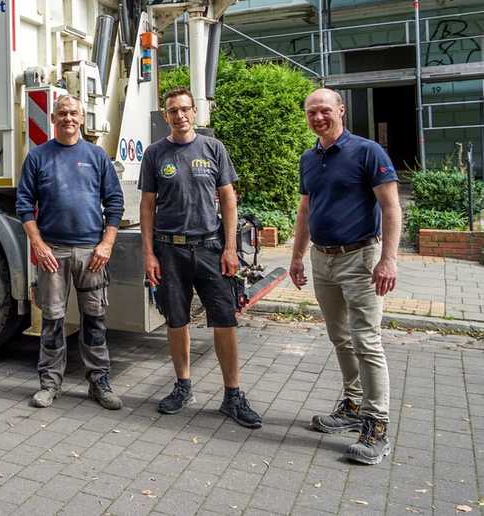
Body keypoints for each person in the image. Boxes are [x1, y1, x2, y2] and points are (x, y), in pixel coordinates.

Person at [289, 87, 399, 465]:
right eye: (311, 112)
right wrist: (297, 257)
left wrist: (388, 260)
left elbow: (391, 207)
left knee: (366, 340)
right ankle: (353, 406)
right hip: (323, 259)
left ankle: (377, 424)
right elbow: (305, 210)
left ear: (341, 110)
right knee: (340, 337)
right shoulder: (309, 157)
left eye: (324, 110)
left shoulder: (367, 152)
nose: (318, 117)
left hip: (361, 258)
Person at [139, 87, 262, 428]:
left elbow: (228, 199)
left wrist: (230, 248)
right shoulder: (155, 154)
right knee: (176, 320)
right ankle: (182, 386)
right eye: (172, 111)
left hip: (210, 248)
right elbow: (147, 207)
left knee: (225, 320)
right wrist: (148, 254)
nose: (179, 115)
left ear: (195, 112)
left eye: (184, 109)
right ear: (166, 116)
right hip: (169, 248)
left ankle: (232, 395)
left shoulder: (213, 148)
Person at [17, 94, 124, 409]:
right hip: (54, 253)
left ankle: (99, 384)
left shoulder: (96, 156)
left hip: (92, 253)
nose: (68, 118)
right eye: (62, 113)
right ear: (53, 118)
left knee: (95, 320)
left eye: (73, 113)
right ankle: (50, 384)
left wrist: (107, 243)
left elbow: (114, 202)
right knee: (52, 321)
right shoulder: (37, 157)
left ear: (82, 118)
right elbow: (24, 204)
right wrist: (37, 244)